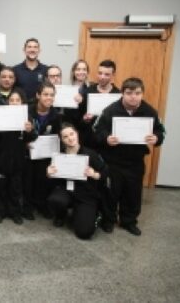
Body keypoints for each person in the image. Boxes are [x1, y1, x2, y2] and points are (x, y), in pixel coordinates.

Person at [94, 77, 165, 236]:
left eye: (138, 93)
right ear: (123, 93)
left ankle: (129, 221)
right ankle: (109, 220)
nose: (133, 96)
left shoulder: (150, 111)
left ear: (142, 94)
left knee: (133, 193)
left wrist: (157, 138)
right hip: (113, 161)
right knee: (111, 192)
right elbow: (97, 130)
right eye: (129, 93)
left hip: (135, 161)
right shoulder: (110, 110)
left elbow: (161, 130)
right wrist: (106, 138)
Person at [47, 123, 108, 239]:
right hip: (67, 190)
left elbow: (105, 173)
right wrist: (49, 174)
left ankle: (95, 214)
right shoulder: (59, 156)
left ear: (77, 134)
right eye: (65, 137)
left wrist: (94, 174)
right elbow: (54, 181)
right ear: (61, 140)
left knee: (84, 233)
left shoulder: (90, 154)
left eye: (72, 134)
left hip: (86, 194)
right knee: (55, 200)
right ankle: (61, 215)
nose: (70, 138)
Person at [0, 88, 36, 224]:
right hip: (1, 159)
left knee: (15, 188)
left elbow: (32, 137)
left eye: (17, 100)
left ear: (22, 102)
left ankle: (15, 213)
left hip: (18, 160)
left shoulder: (27, 118)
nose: (14, 103)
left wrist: (29, 131)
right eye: (11, 100)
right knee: (0, 188)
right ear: (7, 102)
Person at [24, 81, 63, 220]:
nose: (49, 98)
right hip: (28, 154)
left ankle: (42, 205)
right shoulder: (27, 111)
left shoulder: (57, 115)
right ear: (38, 95)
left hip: (46, 155)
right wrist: (25, 143)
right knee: (28, 181)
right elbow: (18, 134)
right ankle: (27, 207)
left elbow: (59, 135)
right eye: (45, 94)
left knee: (43, 180)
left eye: (52, 95)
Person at [78, 60, 121, 148]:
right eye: (100, 73)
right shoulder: (87, 91)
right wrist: (85, 119)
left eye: (106, 74)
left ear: (113, 75)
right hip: (88, 140)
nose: (102, 77)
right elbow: (78, 119)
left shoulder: (118, 95)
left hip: (108, 142)